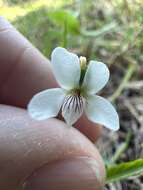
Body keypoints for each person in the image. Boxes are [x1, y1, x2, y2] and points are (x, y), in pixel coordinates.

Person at [0, 17, 105, 190]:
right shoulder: (62, 96)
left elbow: (105, 117)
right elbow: (37, 110)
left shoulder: (77, 97)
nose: (76, 101)